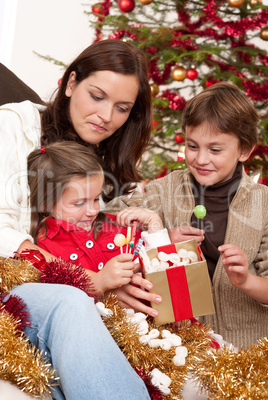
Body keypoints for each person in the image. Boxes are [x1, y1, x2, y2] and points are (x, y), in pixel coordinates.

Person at [0, 39, 155, 399]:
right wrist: (89, 280)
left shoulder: (108, 157)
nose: (106, 116)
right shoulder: (15, 125)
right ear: (71, 84)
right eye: (97, 96)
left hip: (74, 287)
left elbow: (112, 234)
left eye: (122, 108)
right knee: (70, 301)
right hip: (16, 281)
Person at [107, 82, 268, 349]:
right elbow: (107, 223)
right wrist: (162, 238)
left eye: (215, 150)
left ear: (244, 150)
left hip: (248, 349)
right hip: (179, 347)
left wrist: (245, 280)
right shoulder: (163, 190)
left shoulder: (262, 204)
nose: (201, 159)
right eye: (192, 146)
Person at [27, 141, 168, 298]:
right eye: (79, 203)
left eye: (96, 199)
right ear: (45, 203)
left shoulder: (118, 226)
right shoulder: (42, 250)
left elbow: (167, 276)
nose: (93, 211)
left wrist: (156, 229)